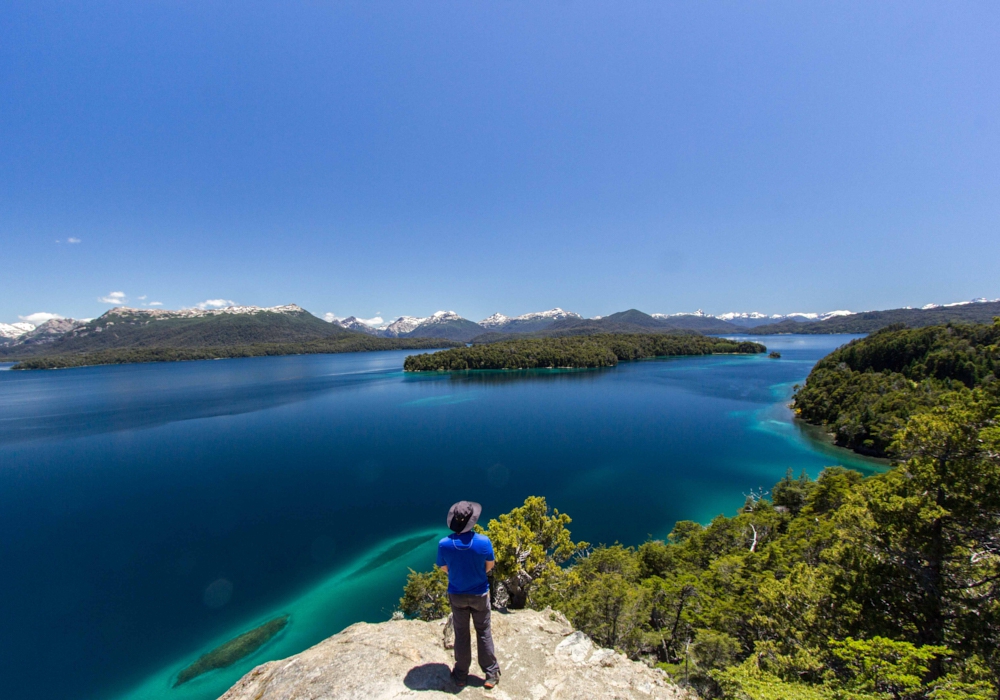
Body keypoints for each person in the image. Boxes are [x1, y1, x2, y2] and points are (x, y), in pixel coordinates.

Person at [437, 500, 501, 689]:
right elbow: (490, 565)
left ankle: (460, 675)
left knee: (461, 634)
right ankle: (490, 674)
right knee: (483, 632)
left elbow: (443, 567)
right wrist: (479, 573)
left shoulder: (444, 544)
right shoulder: (483, 541)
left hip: (457, 594)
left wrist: (456, 574)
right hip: (479, 593)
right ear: (472, 520)